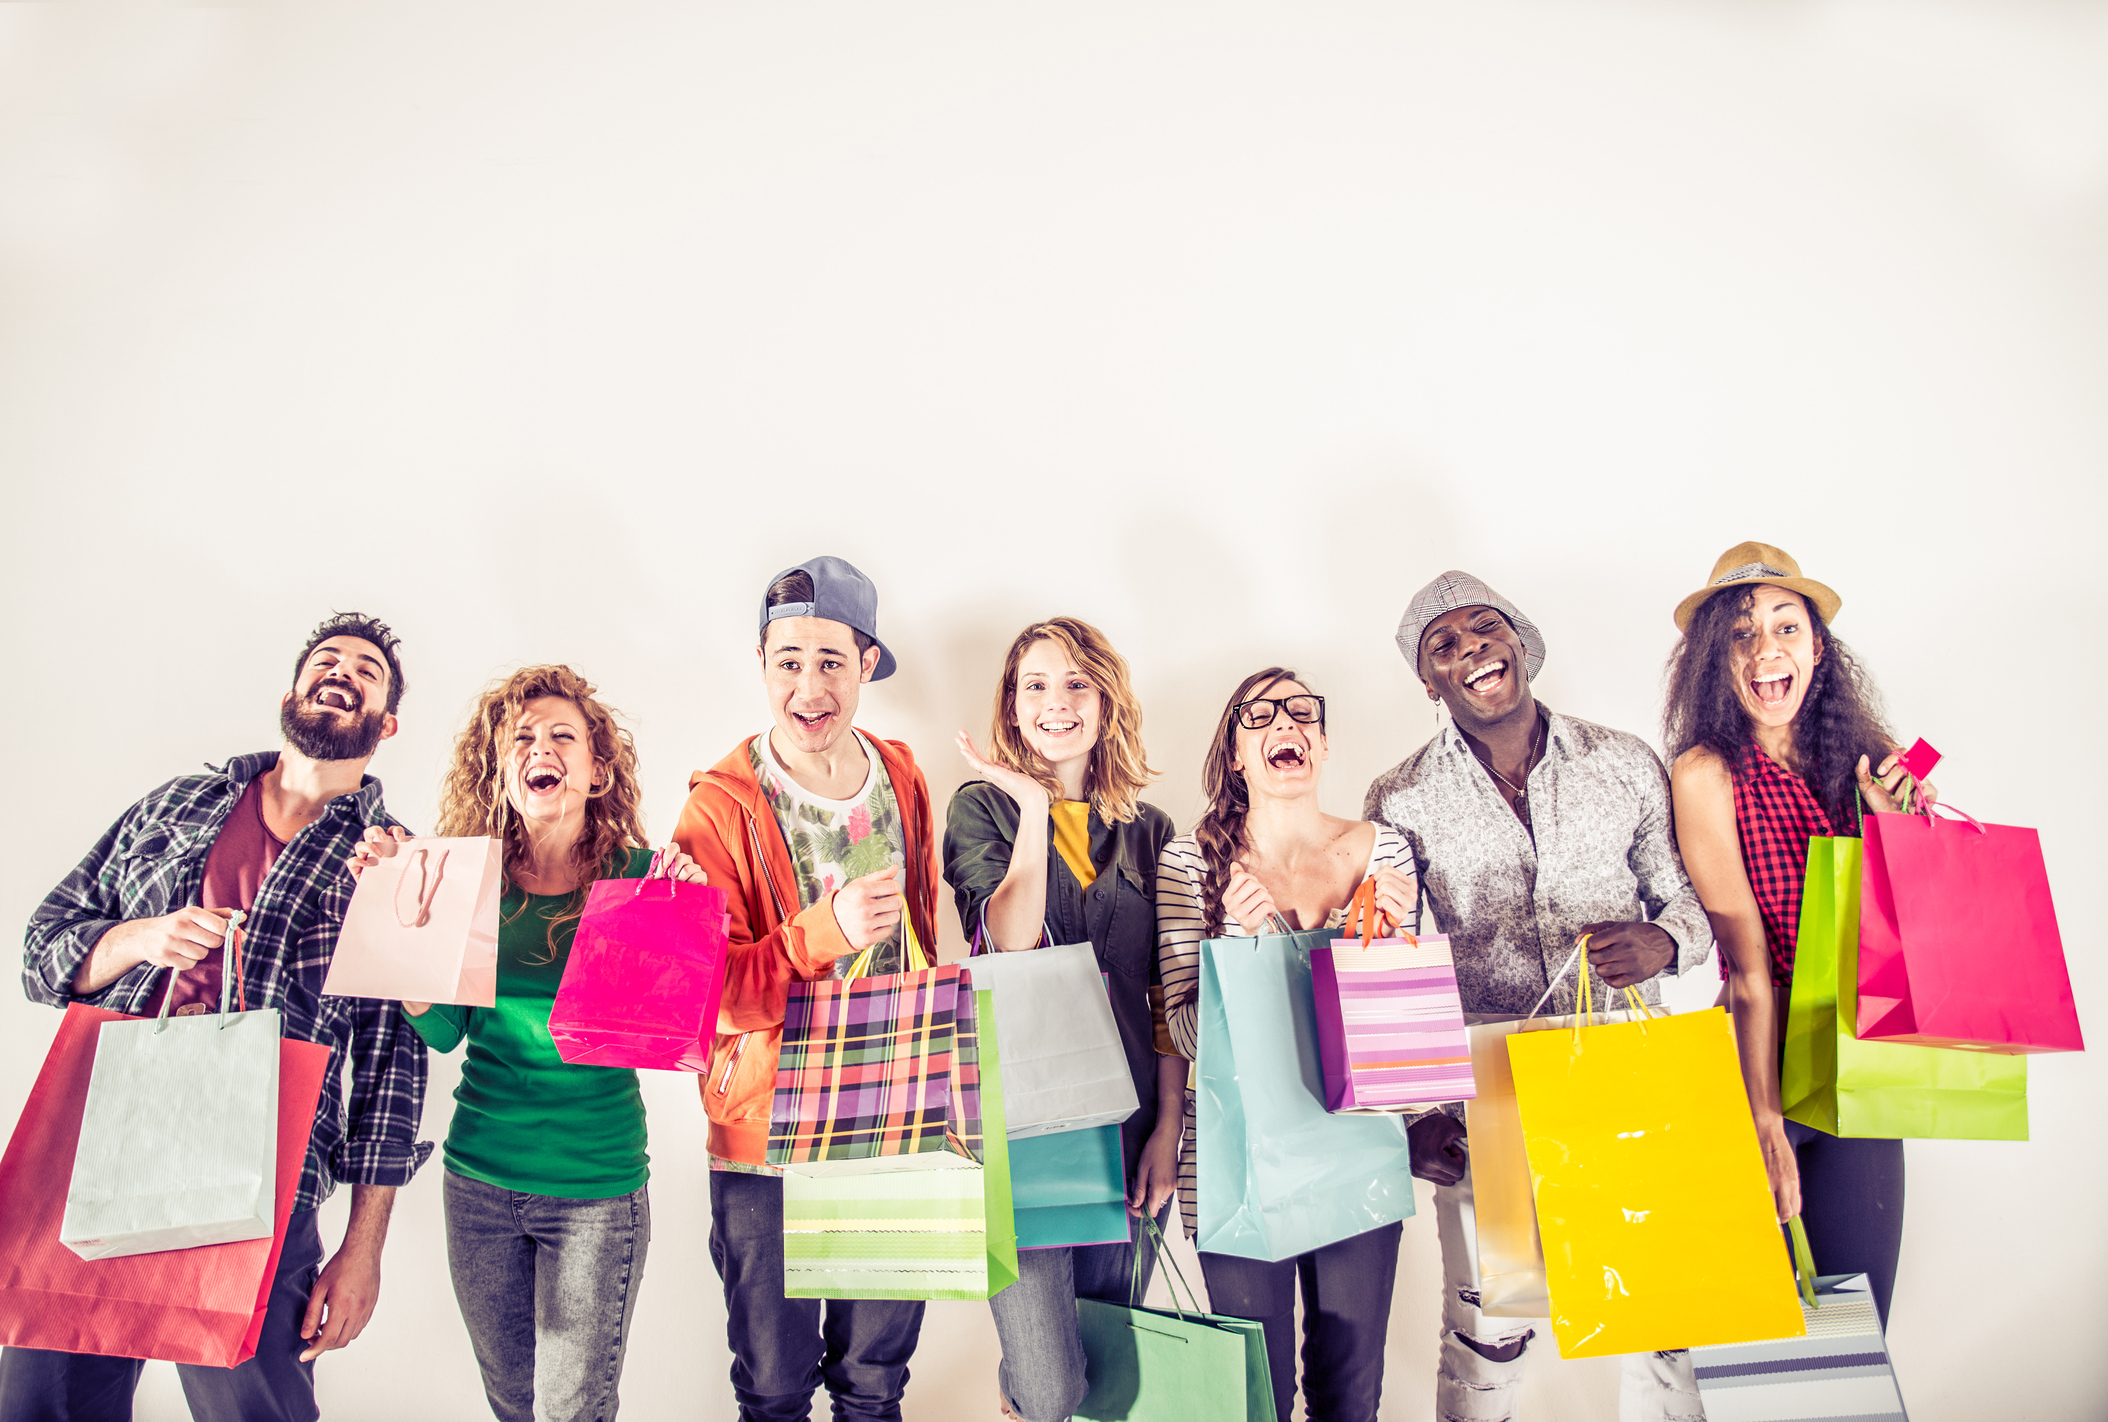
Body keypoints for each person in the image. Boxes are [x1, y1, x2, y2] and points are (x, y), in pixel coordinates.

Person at [8, 613, 431, 1422]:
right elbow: (41, 951)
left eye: (367, 670)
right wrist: (141, 938)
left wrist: (363, 1248)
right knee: (41, 1406)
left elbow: (391, 1071)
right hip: (105, 1146)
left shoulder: (396, 864)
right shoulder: (173, 806)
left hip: (267, 1171)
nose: (342, 671)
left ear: (388, 722)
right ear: (291, 693)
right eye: (328, 659)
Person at [1361, 571, 1715, 1422]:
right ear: (1429, 681)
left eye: (1486, 629)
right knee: (1492, 1327)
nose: (1472, 649)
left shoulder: (1625, 761)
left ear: (1519, 642)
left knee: (1658, 1317)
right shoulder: (1398, 798)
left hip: (1626, 1071)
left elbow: (1686, 898)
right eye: (1443, 646)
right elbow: (1398, 962)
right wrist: (1418, 1115)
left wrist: (1666, 942)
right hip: (1492, 1092)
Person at [351, 665, 707, 1422]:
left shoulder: (641, 878)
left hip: (595, 1189)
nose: (539, 748)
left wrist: (682, 907)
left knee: (571, 1409)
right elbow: (446, 1034)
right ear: (499, 767)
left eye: (561, 735)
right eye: (521, 738)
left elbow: (665, 1034)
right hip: (478, 1181)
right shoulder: (463, 879)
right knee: (514, 1402)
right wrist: (396, 920)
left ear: (595, 768)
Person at [671, 556, 940, 1422]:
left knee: (874, 1386)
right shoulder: (718, 808)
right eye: (788, 661)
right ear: (761, 664)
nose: (808, 685)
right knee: (776, 1387)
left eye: (831, 661)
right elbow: (711, 994)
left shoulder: (902, 775)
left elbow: (926, 934)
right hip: (767, 1137)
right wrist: (824, 932)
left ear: (868, 664)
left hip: (896, 1118)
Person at [1663, 541, 1925, 1326]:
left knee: (1856, 1330)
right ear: (1717, 660)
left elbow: (1914, 939)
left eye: (1786, 626)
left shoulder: (1869, 761)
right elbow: (1748, 972)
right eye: (1741, 634)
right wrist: (1765, 1121)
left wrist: (1902, 831)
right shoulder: (1705, 773)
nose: (1766, 648)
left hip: (1860, 1064)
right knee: (1756, 1343)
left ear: (1817, 648)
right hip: (1758, 1063)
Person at [1147, 667, 1419, 1422]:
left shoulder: (1382, 852)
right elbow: (1185, 1031)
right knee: (1254, 1400)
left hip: (1357, 1150)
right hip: (1234, 1165)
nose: (1281, 724)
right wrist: (1240, 941)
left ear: (1323, 744)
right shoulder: (1187, 865)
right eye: (1257, 715)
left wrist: (1389, 945)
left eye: (1301, 711)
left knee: (1351, 1395)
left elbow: (1402, 1047)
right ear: (1236, 754)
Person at [944, 618, 1180, 1422]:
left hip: (1129, 1123)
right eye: (1036, 686)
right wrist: (1035, 810)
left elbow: (1164, 994)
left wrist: (1168, 1132)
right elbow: (1008, 941)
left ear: (1107, 702)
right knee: (1049, 1389)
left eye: (1077, 683)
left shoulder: (1150, 831)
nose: (1057, 702)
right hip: (1024, 1127)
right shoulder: (982, 809)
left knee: (1106, 1376)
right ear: (1012, 708)